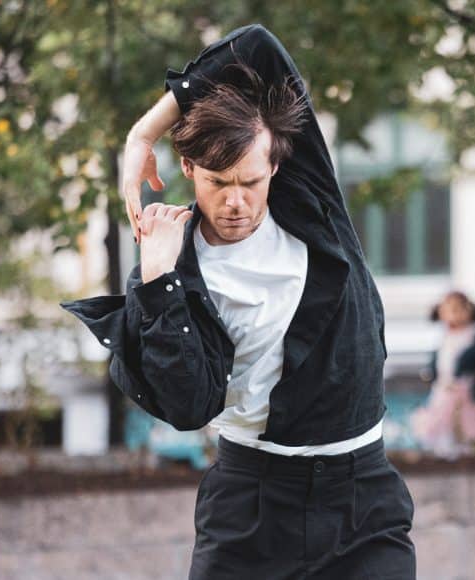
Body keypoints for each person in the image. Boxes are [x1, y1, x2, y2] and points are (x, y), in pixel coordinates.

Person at [60, 24, 415, 579]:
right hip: (252, 508)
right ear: (190, 171)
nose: (235, 201)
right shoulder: (174, 270)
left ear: (275, 165)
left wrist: (142, 136)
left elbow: (256, 45)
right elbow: (187, 406)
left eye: (250, 181)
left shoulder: (311, 202)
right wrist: (157, 278)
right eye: (218, 182)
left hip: (362, 504)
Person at [410, 291, 475, 459]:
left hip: (465, 394)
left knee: (464, 431)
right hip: (443, 391)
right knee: (441, 431)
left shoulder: (472, 339)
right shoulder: (444, 338)